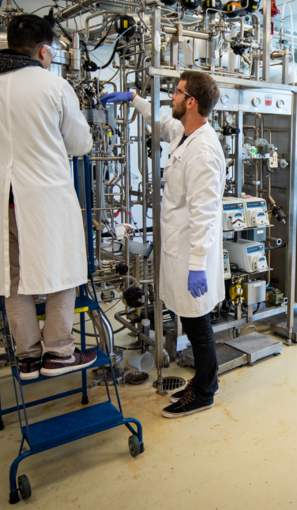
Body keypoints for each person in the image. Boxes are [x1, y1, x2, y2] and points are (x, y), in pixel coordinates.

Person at [0, 14, 97, 380]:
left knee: (13, 277)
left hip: (2, 199)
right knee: (65, 270)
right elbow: (80, 143)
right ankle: (59, 353)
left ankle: (26, 358)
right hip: (45, 199)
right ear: (42, 50)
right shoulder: (52, 84)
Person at [101, 71, 225, 418]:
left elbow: (205, 214)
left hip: (191, 252)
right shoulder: (186, 136)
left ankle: (205, 391)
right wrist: (133, 100)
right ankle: (202, 383)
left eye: (177, 91)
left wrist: (198, 264)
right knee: (191, 320)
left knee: (198, 325)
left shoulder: (203, 150)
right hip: (178, 248)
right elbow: (161, 124)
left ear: (191, 102)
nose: (172, 96)